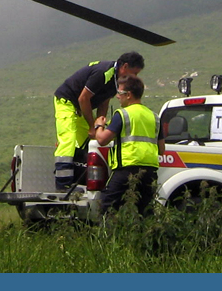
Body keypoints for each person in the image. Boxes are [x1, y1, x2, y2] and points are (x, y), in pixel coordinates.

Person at [52, 51, 144, 190]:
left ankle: (79, 177)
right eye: (134, 73)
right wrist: (91, 126)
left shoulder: (116, 81)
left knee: (87, 141)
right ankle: (62, 183)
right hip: (67, 101)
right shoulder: (103, 73)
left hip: (80, 107)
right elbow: (83, 98)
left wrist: (98, 125)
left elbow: (104, 102)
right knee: (69, 138)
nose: (135, 77)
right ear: (124, 66)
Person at [93, 75, 164, 215]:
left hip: (126, 169)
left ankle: (110, 236)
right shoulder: (154, 117)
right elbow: (161, 150)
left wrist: (98, 126)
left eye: (120, 93)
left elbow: (102, 140)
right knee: (145, 211)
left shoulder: (122, 114)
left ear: (129, 95)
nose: (117, 96)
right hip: (149, 172)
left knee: (108, 207)